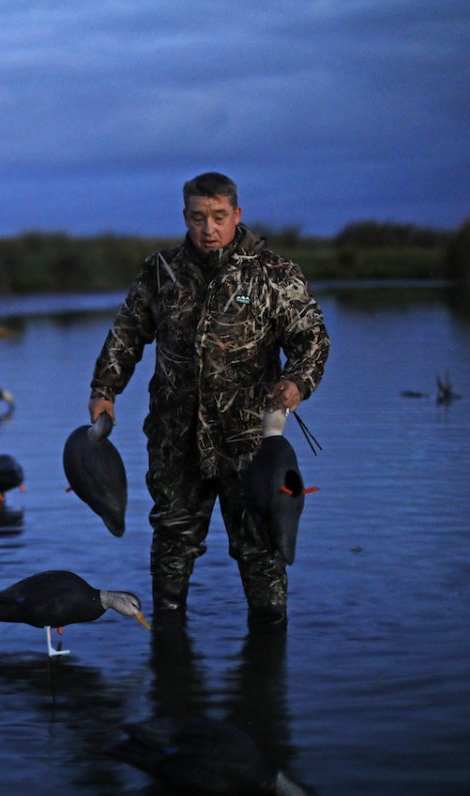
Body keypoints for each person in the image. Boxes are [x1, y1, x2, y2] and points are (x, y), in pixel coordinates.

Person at [88, 172, 329, 626]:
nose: (208, 228)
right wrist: (104, 390)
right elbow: (126, 334)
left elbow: (312, 339)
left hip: (250, 441)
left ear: (237, 215)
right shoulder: (161, 270)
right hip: (175, 436)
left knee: (260, 545)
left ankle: (268, 653)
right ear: (186, 217)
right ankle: (169, 644)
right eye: (198, 217)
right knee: (172, 541)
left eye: (219, 217)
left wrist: (297, 382)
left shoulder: (273, 274)